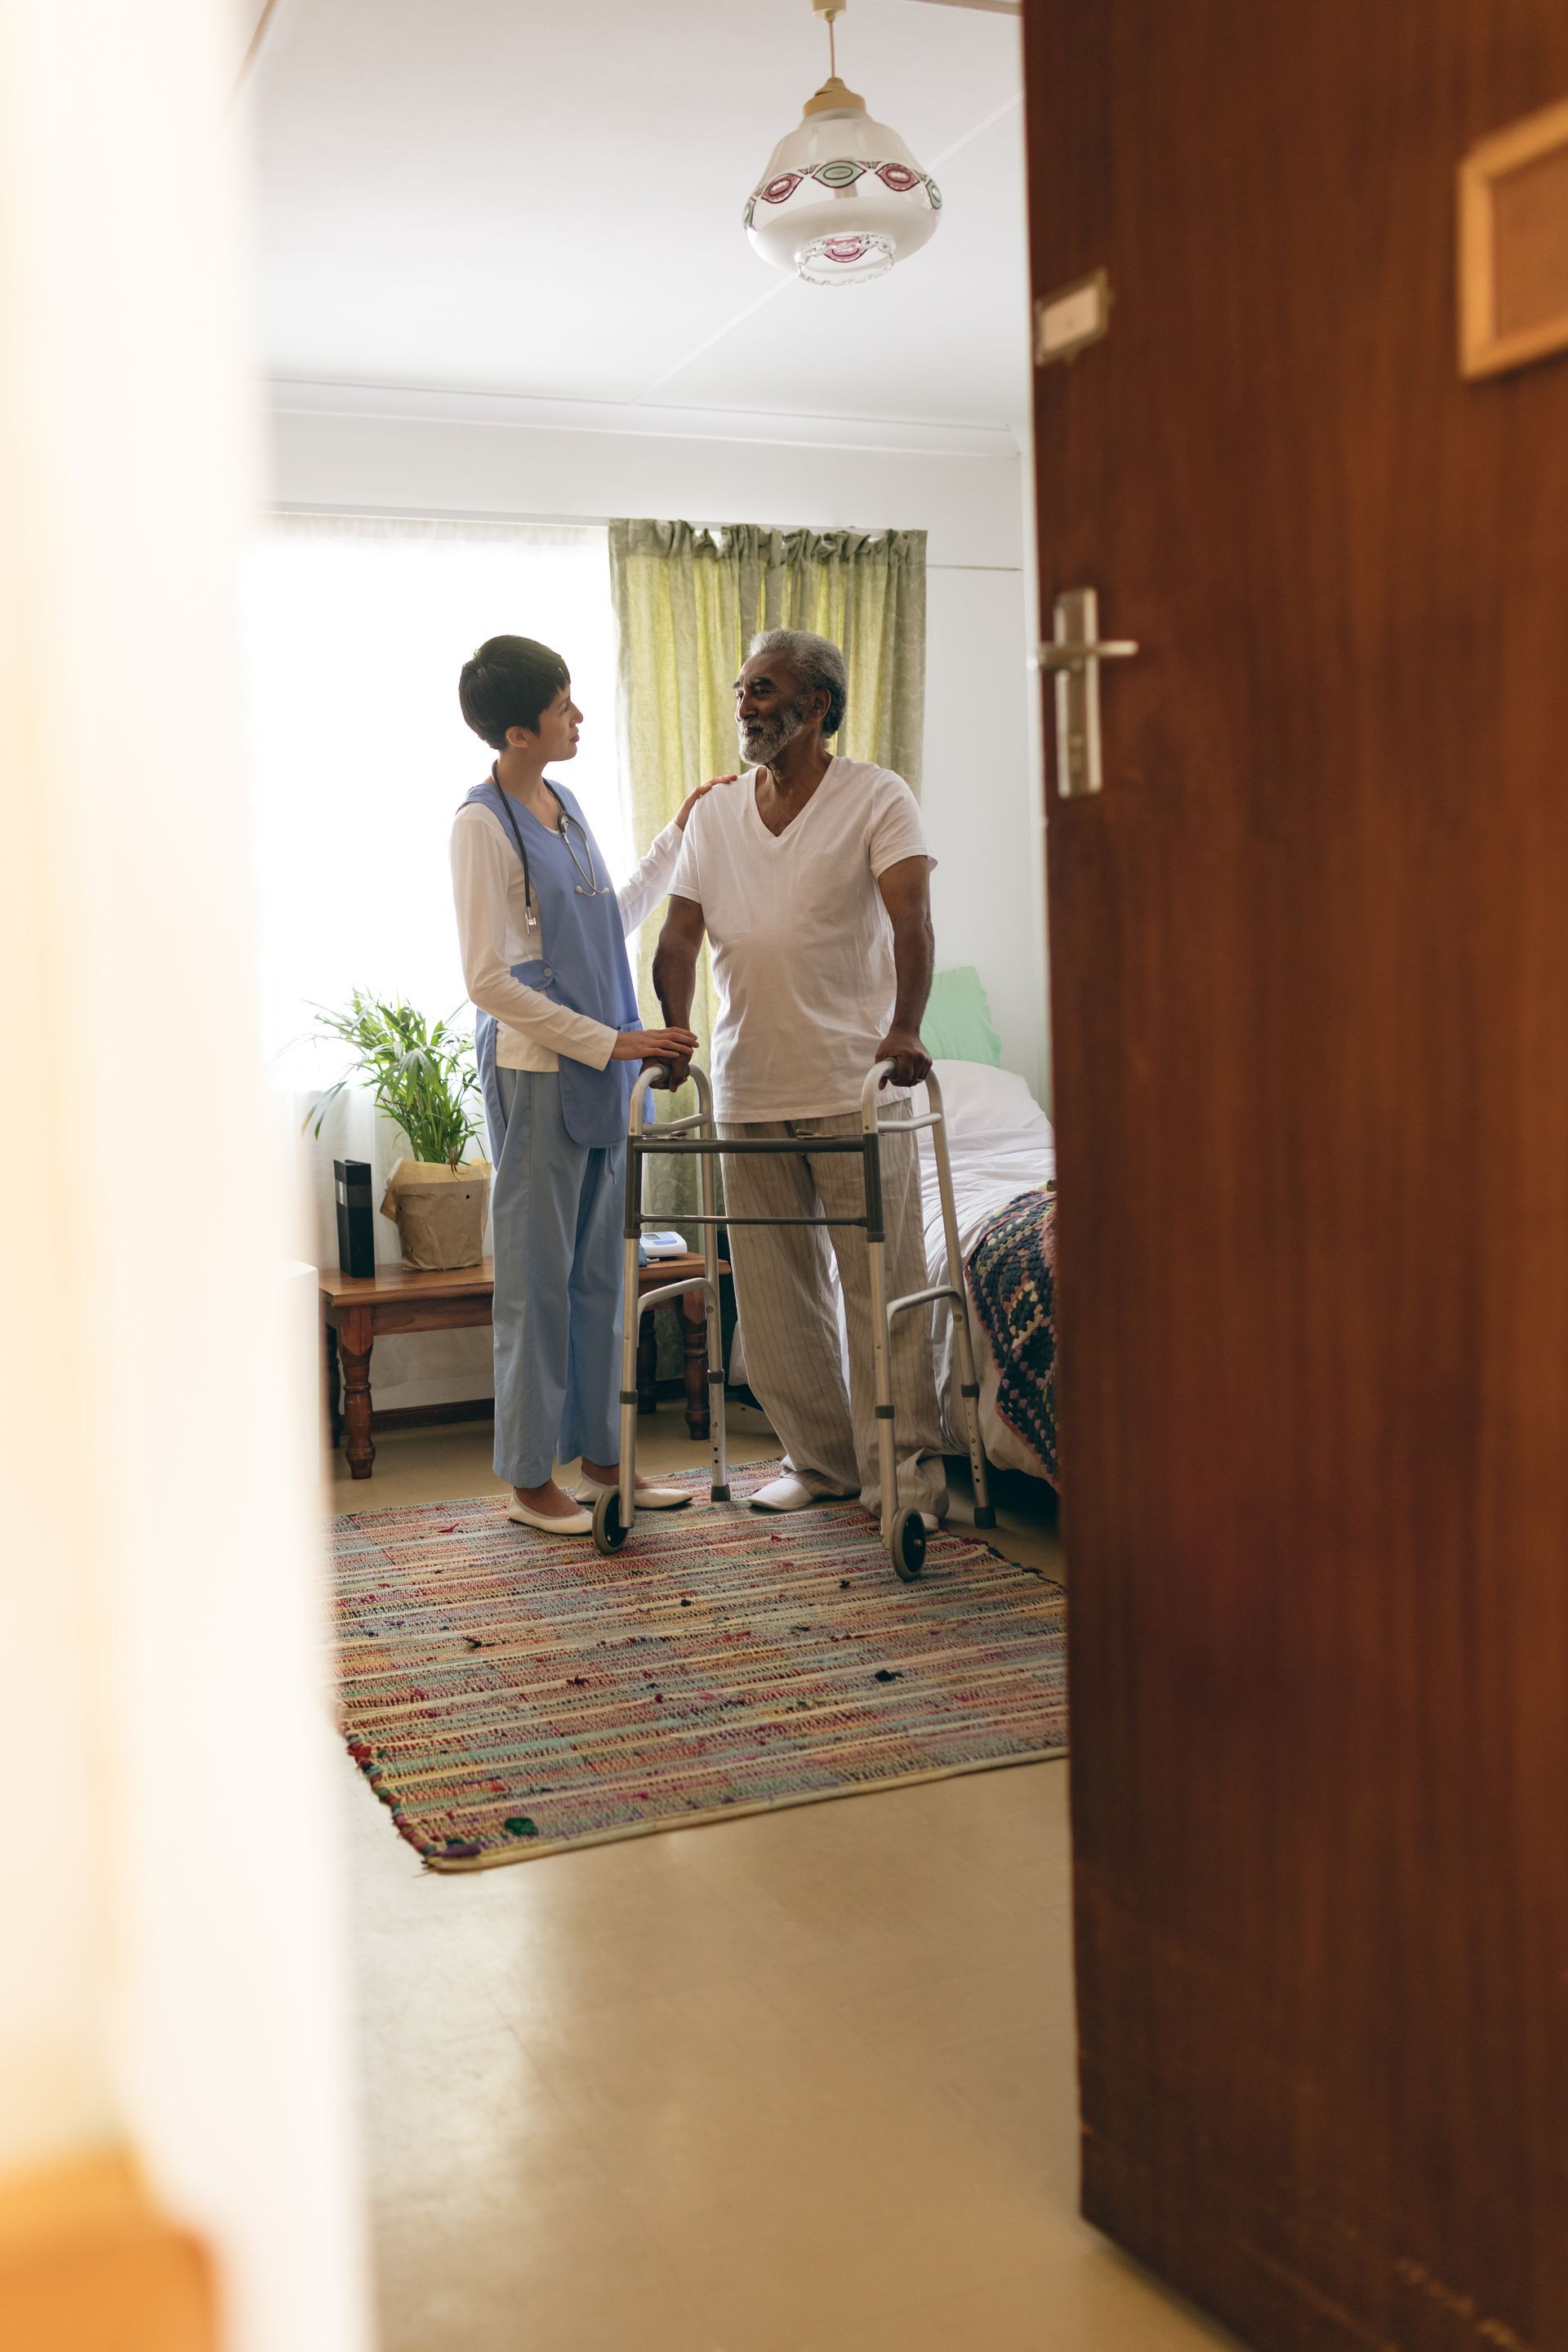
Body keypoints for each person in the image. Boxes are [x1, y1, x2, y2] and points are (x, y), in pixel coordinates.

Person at [652, 627, 949, 1527]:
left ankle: (904, 1475)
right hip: (750, 1084)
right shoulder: (714, 813)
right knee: (777, 1295)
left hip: (854, 1083)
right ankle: (819, 1461)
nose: (744, 703)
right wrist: (676, 1030)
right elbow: (676, 938)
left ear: (816, 705)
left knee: (881, 1287)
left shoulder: (876, 797)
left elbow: (913, 918)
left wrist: (905, 1026)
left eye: (764, 689)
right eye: (742, 687)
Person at [451, 634, 728, 1535]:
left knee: (602, 1278)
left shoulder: (565, 808)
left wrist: (677, 830)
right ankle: (533, 1481)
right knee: (536, 1283)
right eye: (565, 708)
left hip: (605, 1077)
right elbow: (490, 982)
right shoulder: (480, 826)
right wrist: (613, 1042)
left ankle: (606, 1460)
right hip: (539, 1079)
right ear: (518, 730)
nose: (579, 719)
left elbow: (611, 923)